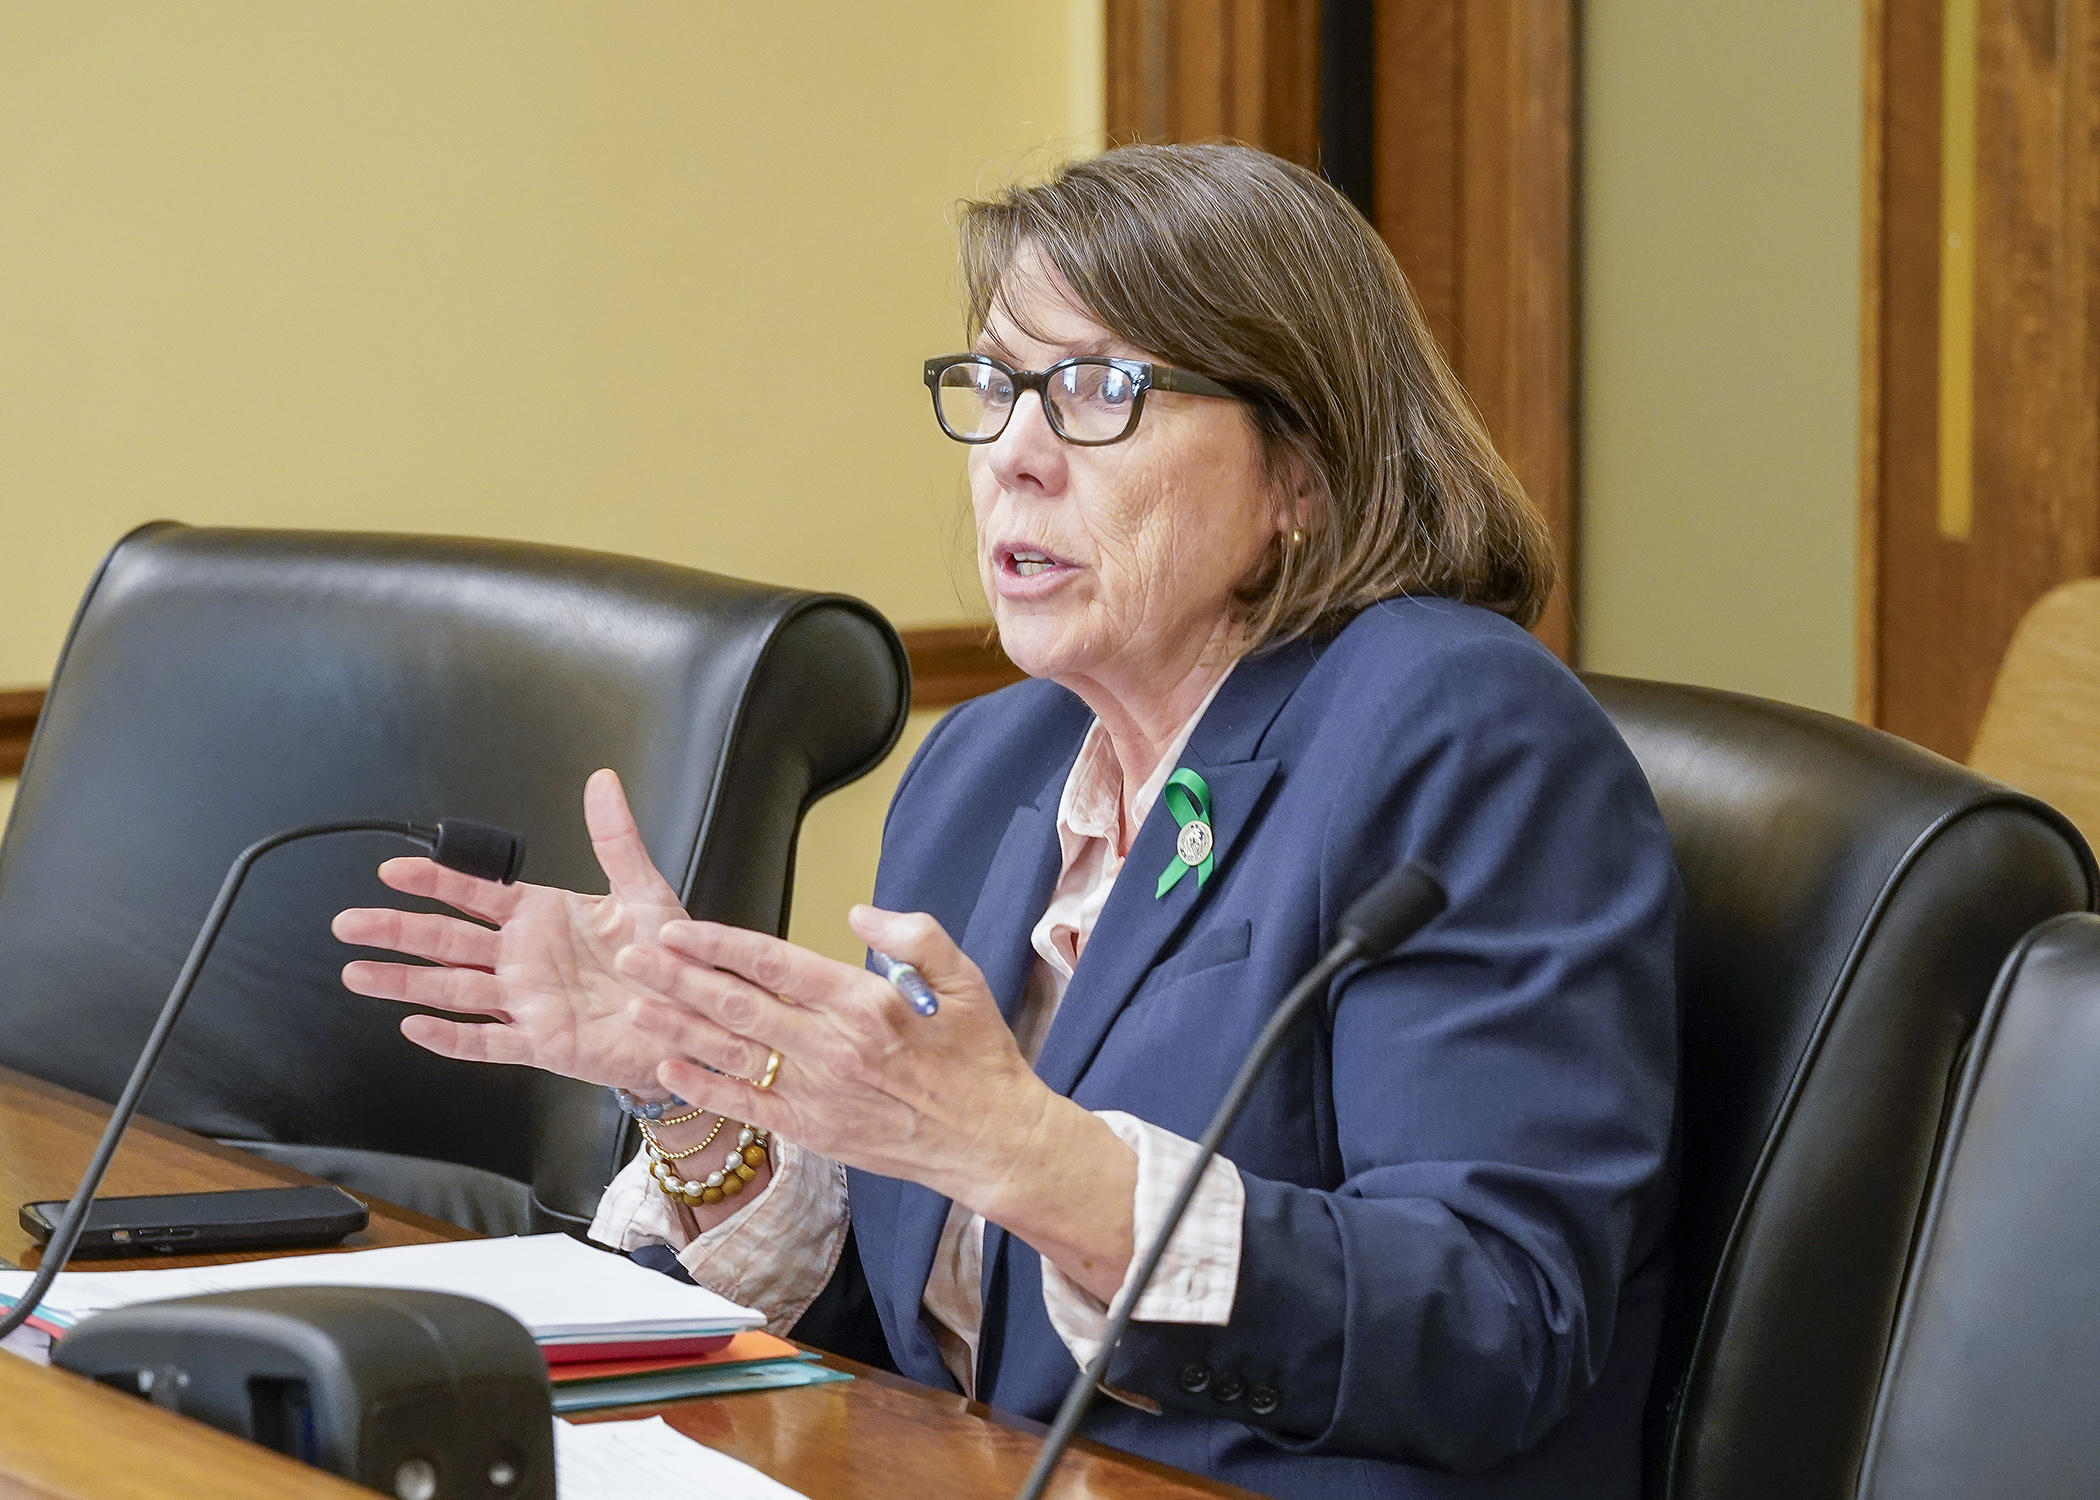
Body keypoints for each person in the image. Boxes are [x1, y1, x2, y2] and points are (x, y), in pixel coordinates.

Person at [333, 143, 1678, 1499]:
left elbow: (1502, 1324)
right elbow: (919, 1342)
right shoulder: (991, 764)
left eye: (1100, 389)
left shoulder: (1453, 728)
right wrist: (704, 1090)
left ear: (1303, 476)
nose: (1015, 459)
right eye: (996, 387)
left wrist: (1032, 1157)